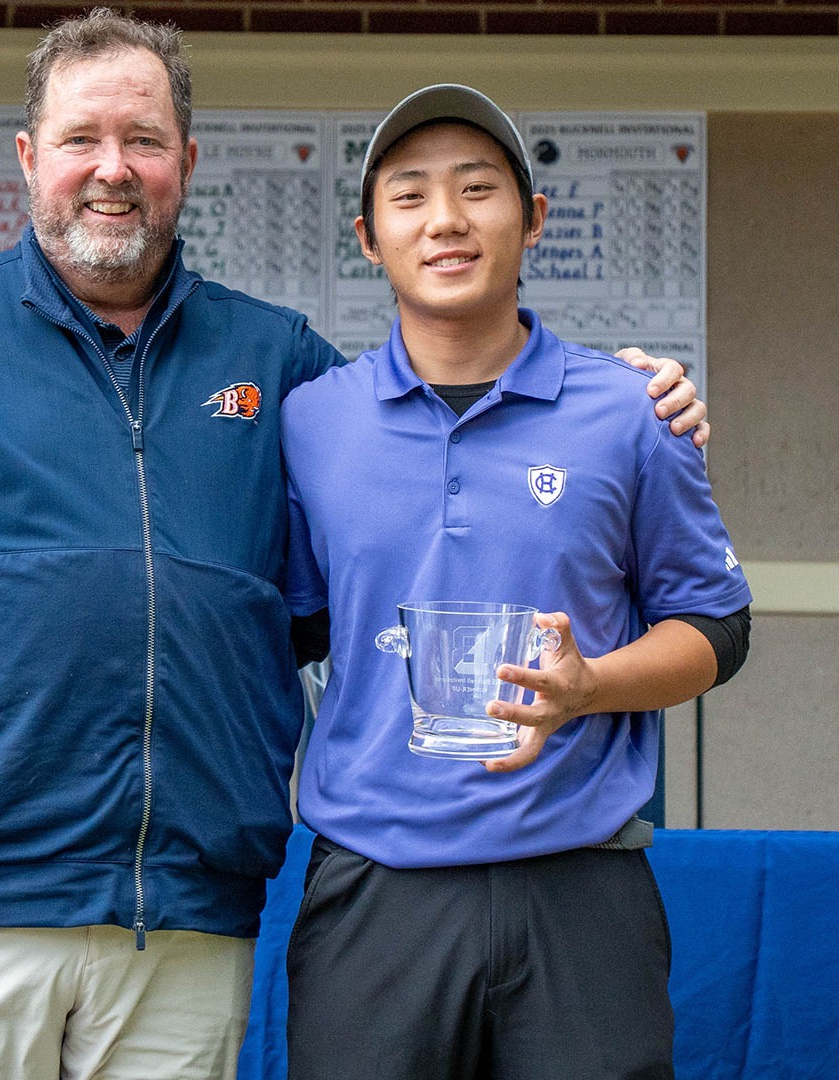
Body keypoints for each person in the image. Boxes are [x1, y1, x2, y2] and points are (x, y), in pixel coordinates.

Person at [0, 12, 707, 1077]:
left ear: (187, 163)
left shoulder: (282, 363)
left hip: (182, 921)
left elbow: (431, 442)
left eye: (145, 141)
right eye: (82, 139)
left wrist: (625, 395)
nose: (112, 170)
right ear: (31, 158)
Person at [280, 84, 754, 1080]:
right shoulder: (313, 422)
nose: (445, 220)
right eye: (408, 196)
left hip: (580, 887)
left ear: (532, 221)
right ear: (368, 237)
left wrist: (592, 687)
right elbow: (293, 626)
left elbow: (717, 627)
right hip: (377, 890)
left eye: (478, 189)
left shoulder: (630, 411)